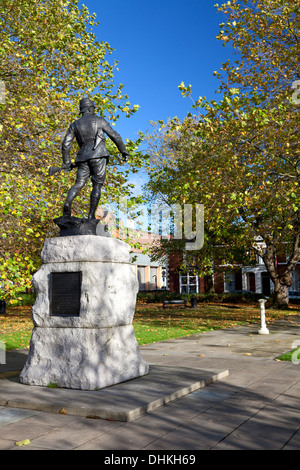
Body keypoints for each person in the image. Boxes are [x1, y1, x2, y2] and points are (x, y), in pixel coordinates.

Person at [61, 96, 129, 219]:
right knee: (97, 185)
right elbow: (115, 136)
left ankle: (67, 203)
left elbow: (66, 144)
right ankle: (91, 216)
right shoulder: (100, 121)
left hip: (82, 157)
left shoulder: (75, 125)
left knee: (79, 183)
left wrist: (66, 162)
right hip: (99, 155)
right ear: (90, 109)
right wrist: (123, 151)